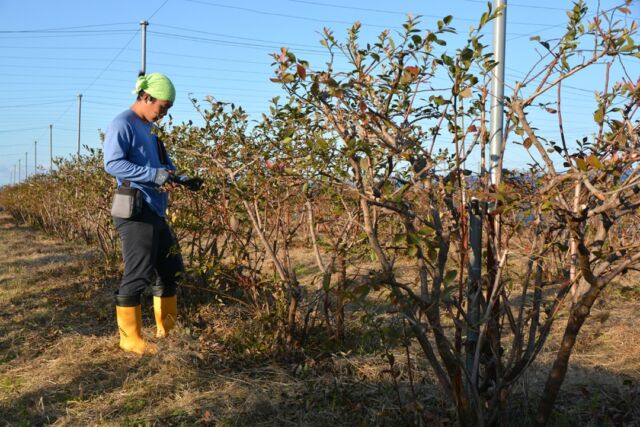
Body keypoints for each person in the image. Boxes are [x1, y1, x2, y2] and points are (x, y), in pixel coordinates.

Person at [104, 73, 199, 355]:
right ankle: (129, 339)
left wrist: (182, 179)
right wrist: (152, 175)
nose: (164, 113)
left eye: (168, 108)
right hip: (135, 210)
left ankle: (167, 330)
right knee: (139, 273)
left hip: (156, 209)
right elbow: (113, 163)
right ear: (146, 98)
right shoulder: (123, 124)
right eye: (163, 107)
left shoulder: (151, 131)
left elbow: (164, 168)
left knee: (170, 270)